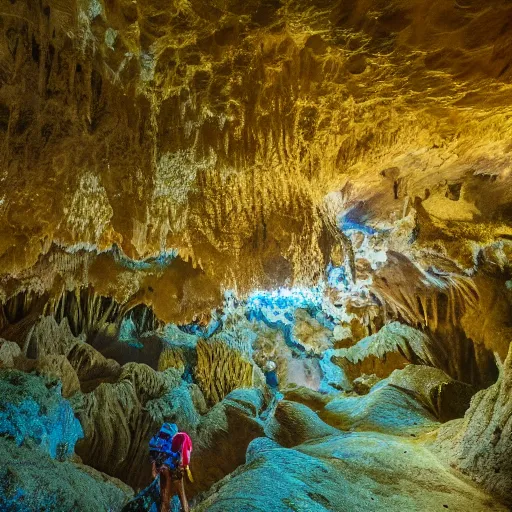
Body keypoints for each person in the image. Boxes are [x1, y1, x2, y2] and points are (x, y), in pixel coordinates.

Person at [149, 423, 193, 512]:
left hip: (165, 468)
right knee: (180, 493)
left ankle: (166, 509)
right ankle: (184, 509)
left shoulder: (157, 439)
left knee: (165, 494)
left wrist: (154, 469)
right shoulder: (180, 438)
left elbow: (153, 453)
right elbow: (185, 452)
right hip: (172, 468)